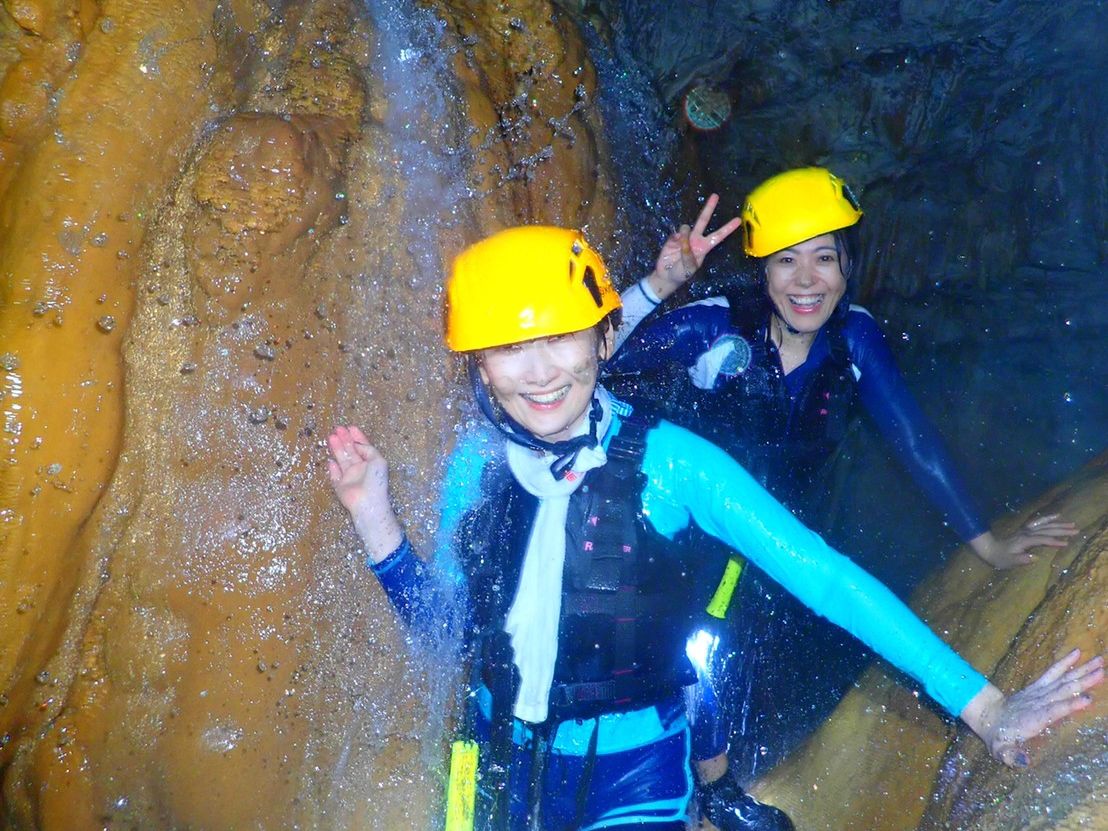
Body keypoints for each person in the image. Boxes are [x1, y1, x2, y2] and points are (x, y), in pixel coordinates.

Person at [325, 226, 1101, 831]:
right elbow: (446, 634)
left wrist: (986, 707)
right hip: (494, 768)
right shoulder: (474, 467)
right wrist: (376, 522)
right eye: (508, 348)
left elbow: (826, 578)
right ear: (480, 366)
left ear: (605, 338)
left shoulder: (674, 464)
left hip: (632, 777)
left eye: (561, 336)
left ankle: (717, 788)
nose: (539, 371)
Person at [605, 167, 1080, 825]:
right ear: (761, 270)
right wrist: (659, 286)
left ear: (847, 265)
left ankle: (732, 767)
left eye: (824, 258)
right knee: (695, 645)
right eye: (786, 260)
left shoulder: (853, 336)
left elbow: (911, 438)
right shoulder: (715, 327)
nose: (806, 280)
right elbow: (591, 362)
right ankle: (709, 788)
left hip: (788, 526)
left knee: (751, 649)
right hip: (693, 527)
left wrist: (989, 543)